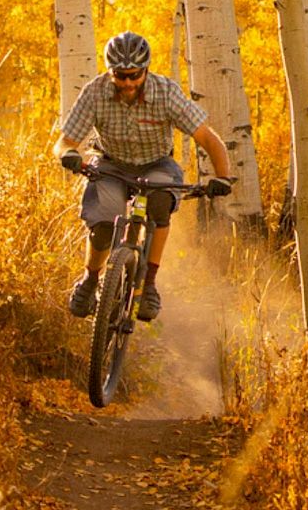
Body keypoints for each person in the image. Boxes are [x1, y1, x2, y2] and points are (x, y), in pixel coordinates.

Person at [53, 31, 234, 322]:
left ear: (145, 70)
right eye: (120, 75)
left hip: (157, 163)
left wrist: (223, 177)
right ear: (110, 71)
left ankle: (148, 285)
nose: (127, 83)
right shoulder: (95, 92)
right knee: (103, 224)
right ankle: (90, 280)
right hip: (111, 164)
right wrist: (69, 155)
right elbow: (64, 142)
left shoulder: (166, 93)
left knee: (160, 203)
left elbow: (206, 137)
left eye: (134, 75)